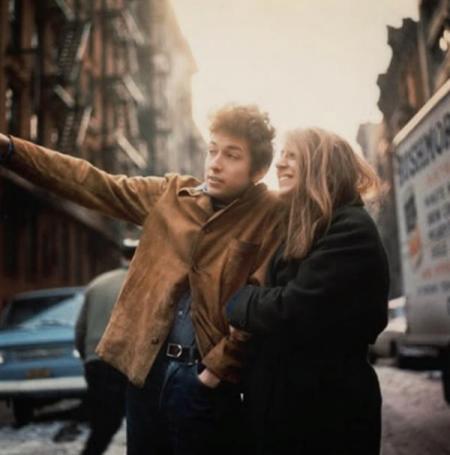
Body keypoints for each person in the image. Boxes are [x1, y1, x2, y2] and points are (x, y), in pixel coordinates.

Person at [0, 104, 283, 454]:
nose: (215, 163)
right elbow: (91, 182)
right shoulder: (171, 196)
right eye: (212, 151)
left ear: (258, 169)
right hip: (148, 372)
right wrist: (11, 150)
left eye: (231, 155)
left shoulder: (270, 216)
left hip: (206, 380)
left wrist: (213, 372)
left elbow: (263, 300)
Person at [227, 127, 390, 455]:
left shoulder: (351, 228)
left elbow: (292, 309)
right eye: (281, 156)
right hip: (285, 411)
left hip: (326, 415)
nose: (280, 164)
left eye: (292, 156)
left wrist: (238, 301)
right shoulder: (303, 227)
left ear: (321, 165)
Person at [75, 239, 137, 455]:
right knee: (141, 423)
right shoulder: (141, 281)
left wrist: (88, 357)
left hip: (96, 362)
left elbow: (80, 328)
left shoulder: (97, 283)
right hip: (127, 362)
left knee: (103, 424)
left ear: (121, 255)